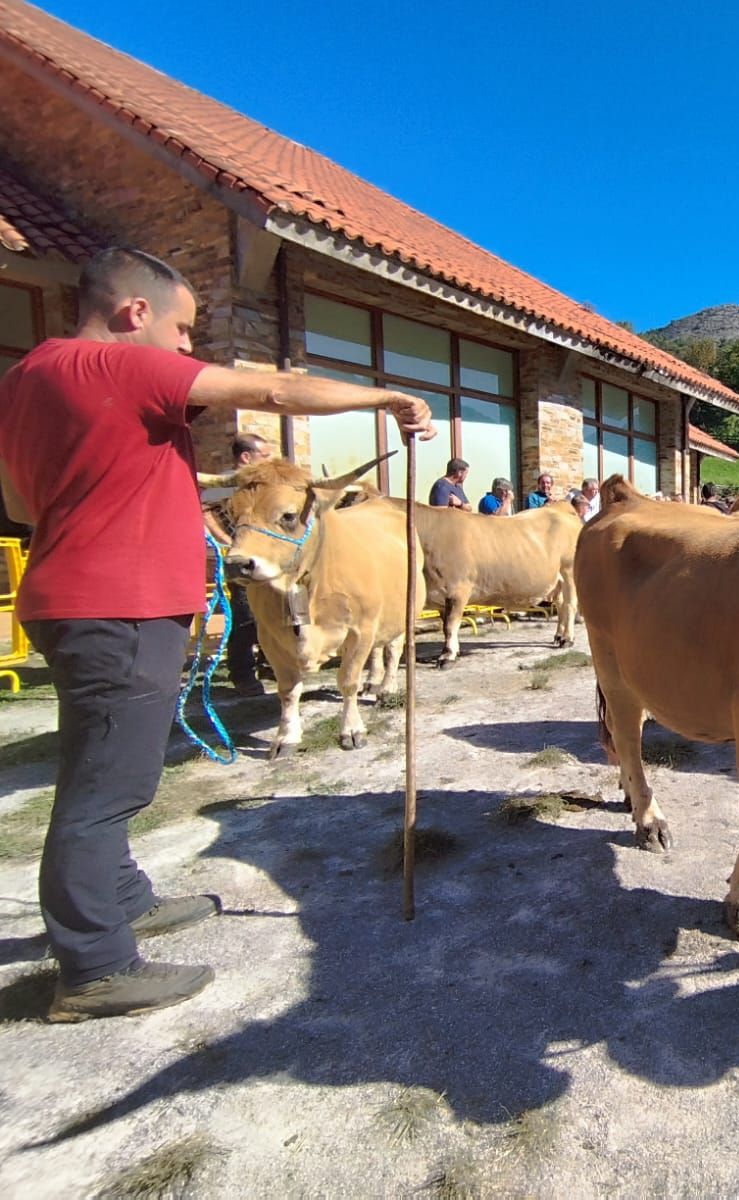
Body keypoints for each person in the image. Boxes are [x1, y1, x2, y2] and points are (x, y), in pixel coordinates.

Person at [0, 246, 435, 1022]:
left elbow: (18, 503)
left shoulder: (23, 378)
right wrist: (388, 395)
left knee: (104, 765)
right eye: (183, 330)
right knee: (106, 788)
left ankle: (123, 898)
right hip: (122, 604)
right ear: (135, 312)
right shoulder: (120, 364)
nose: (186, 347)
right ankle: (95, 966)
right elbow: (275, 389)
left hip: (69, 597)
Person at [213, 433, 274, 695]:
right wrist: (228, 541)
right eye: (265, 455)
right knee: (245, 615)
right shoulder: (227, 483)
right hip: (239, 561)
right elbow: (204, 512)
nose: (269, 460)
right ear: (246, 457)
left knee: (272, 612)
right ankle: (242, 674)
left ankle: (270, 663)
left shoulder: (260, 485)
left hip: (264, 559)